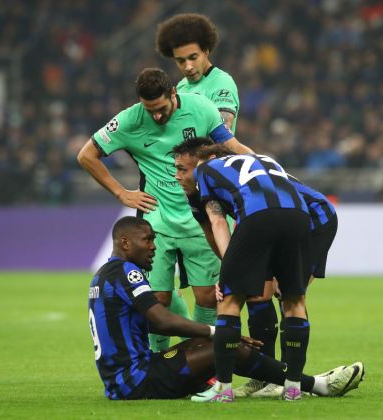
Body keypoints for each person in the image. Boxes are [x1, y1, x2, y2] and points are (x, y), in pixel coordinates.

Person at [88, 216, 364, 401]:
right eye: (147, 240)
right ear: (125, 243)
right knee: (230, 346)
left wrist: (209, 335)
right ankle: (317, 385)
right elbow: (160, 321)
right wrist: (217, 332)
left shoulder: (104, 275)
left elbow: (133, 323)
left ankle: (248, 382)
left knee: (206, 343)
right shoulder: (127, 273)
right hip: (137, 379)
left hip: (124, 379)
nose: (153, 247)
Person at [77, 68, 252, 352]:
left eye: (160, 109)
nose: (156, 116)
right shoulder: (129, 120)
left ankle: (200, 363)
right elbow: (86, 155)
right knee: (156, 300)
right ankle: (157, 361)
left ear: (173, 94)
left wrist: (264, 167)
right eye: (150, 111)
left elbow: (230, 145)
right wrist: (121, 192)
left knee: (208, 297)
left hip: (202, 216)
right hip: (157, 219)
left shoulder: (201, 108)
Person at [174, 142, 356, 401]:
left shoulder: (206, 170)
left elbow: (216, 221)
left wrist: (229, 274)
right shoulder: (258, 163)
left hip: (285, 217)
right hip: (298, 217)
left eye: (183, 169)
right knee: (293, 300)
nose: (178, 175)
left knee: (230, 298)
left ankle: (223, 390)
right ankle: (291, 388)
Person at [158, 15, 281, 397]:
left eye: (193, 57)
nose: (188, 66)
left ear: (207, 50)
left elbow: (219, 140)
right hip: (196, 199)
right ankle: (218, 369)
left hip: (223, 199)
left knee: (244, 287)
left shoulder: (221, 84)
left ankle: (267, 374)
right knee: (218, 290)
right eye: (180, 61)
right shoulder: (178, 87)